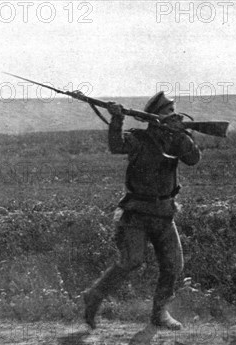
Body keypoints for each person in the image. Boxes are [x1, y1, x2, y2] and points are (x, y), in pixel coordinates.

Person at [82, 92, 201, 330]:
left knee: (173, 265)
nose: (173, 115)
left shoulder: (176, 140)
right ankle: (95, 295)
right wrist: (116, 119)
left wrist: (181, 133)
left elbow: (194, 159)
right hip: (137, 212)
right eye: (168, 112)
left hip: (165, 213)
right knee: (131, 261)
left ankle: (159, 313)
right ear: (154, 117)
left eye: (174, 111)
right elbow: (116, 146)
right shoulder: (139, 139)